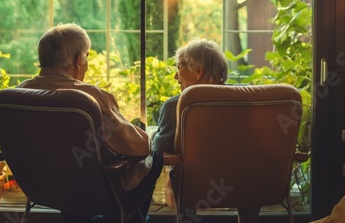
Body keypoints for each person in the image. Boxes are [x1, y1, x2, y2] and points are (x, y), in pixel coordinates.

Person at [17, 23, 163, 223]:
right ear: (79, 60)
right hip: (93, 191)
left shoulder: (19, 94)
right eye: (86, 56)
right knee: (156, 152)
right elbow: (138, 146)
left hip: (41, 187)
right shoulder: (89, 97)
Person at [152, 38, 261, 223]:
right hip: (247, 184)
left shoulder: (176, 105)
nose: (175, 77)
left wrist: (153, 136)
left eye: (179, 68)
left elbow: (159, 149)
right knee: (248, 167)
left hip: (195, 187)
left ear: (198, 71)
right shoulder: (247, 100)